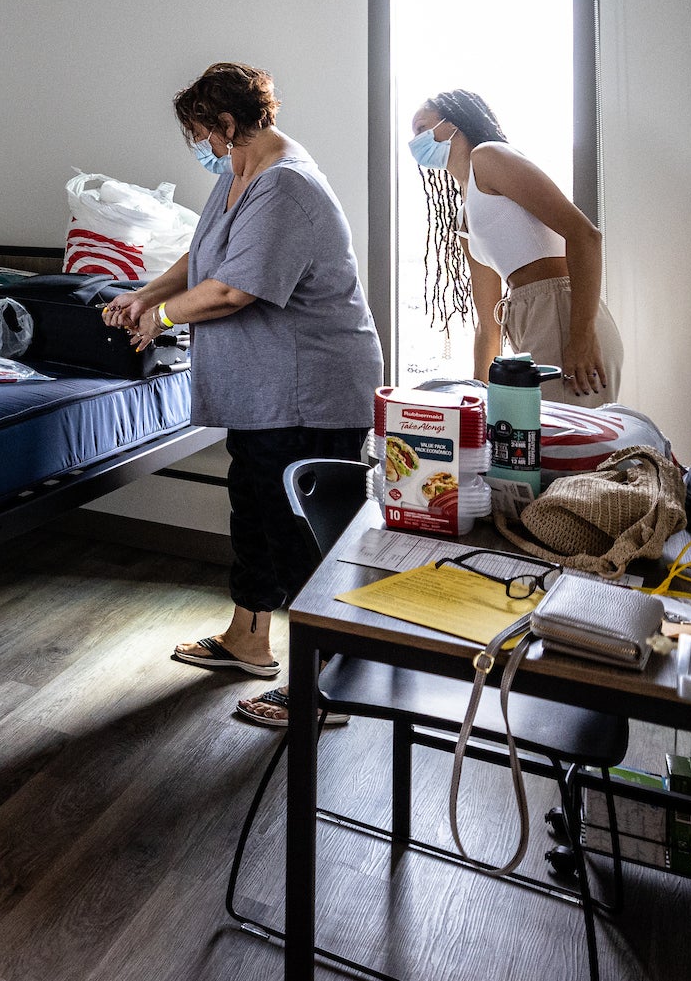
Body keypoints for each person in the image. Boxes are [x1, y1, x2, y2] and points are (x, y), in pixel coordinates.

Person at [104, 62, 383, 728]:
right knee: (253, 509)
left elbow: (235, 290)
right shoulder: (240, 175)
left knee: (298, 531)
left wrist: (162, 319)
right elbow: (204, 261)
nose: (200, 147)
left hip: (312, 387)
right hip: (265, 388)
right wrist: (147, 292)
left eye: (201, 133)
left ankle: (321, 687)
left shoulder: (285, 185)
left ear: (227, 124)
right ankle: (248, 638)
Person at [409, 89, 619, 403]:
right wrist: (477, 397)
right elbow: (487, 324)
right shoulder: (465, 214)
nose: (415, 142)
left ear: (451, 123)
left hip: (561, 312)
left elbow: (585, 236)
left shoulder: (489, 157)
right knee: (537, 447)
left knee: (569, 448)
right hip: (524, 320)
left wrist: (581, 336)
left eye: (422, 128)